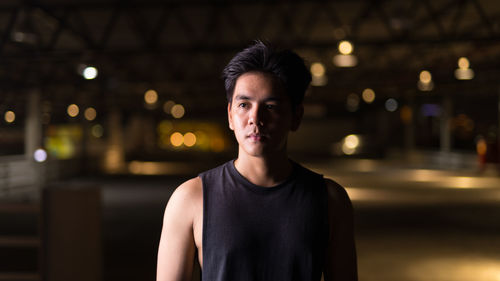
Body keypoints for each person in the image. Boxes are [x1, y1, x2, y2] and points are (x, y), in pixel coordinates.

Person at [157, 41, 357, 281]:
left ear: (296, 116)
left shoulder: (330, 199)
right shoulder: (191, 199)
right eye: (244, 105)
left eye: (270, 106)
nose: (255, 118)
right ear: (230, 116)